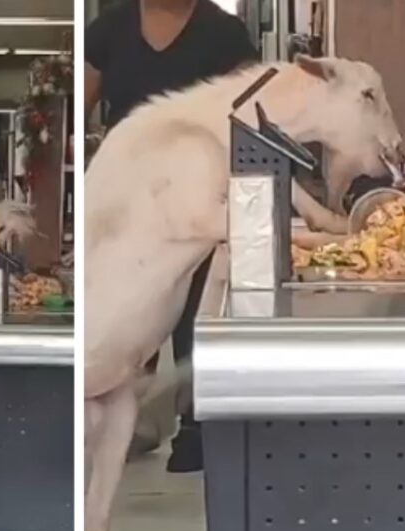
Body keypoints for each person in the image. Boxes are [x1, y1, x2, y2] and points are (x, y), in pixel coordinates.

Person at [85, 0, 259, 473]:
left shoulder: (224, 33)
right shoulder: (110, 30)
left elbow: (249, 113)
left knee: (194, 311)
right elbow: (75, 107)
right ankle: (123, 418)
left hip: (196, 199)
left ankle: (195, 425)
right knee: (127, 312)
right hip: (129, 206)